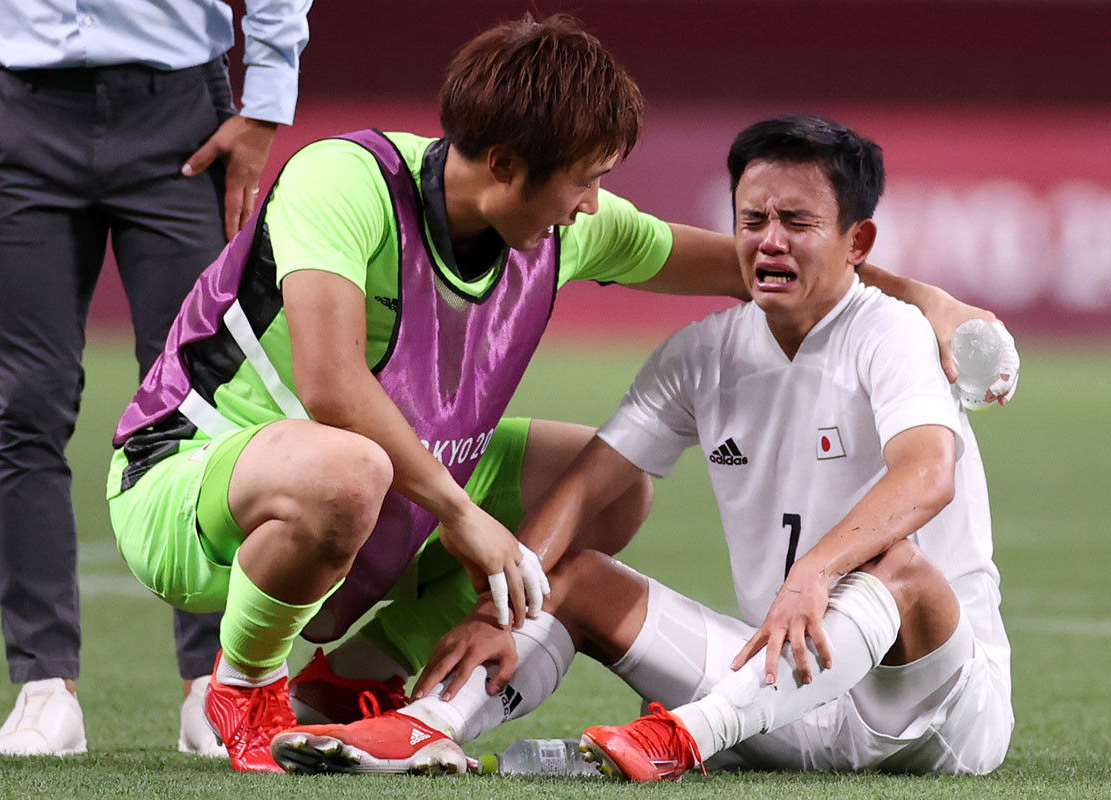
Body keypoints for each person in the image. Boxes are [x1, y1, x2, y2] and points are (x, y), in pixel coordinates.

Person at [106, 16, 1007, 774]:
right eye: (586, 179)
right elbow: (331, 386)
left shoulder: (562, 224)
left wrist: (926, 300)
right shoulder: (343, 182)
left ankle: (361, 678)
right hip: (190, 480)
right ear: (505, 165)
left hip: (389, 482)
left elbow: (759, 265)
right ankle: (244, 682)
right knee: (349, 469)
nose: (593, 204)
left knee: (604, 484)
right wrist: (463, 517)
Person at [0, 0, 314, 758]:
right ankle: (43, 687)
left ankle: (214, 680)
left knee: (204, 405)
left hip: (178, 117)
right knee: (25, 404)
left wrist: (267, 98)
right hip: (22, 112)